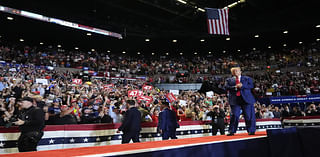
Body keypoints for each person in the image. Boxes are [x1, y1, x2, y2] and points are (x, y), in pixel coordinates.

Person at [225, 67, 256, 136]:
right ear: (232, 73)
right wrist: (235, 87)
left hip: (246, 99)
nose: (235, 72)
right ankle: (231, 131)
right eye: (234, 71)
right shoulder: (229, 80)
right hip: (235, 100)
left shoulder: (247, 78)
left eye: (237, 71)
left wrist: (242, 86)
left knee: (249, 116)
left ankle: (251, 130)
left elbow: (251, 86)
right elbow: (226, 87)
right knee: (235, 115)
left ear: (240, 71)